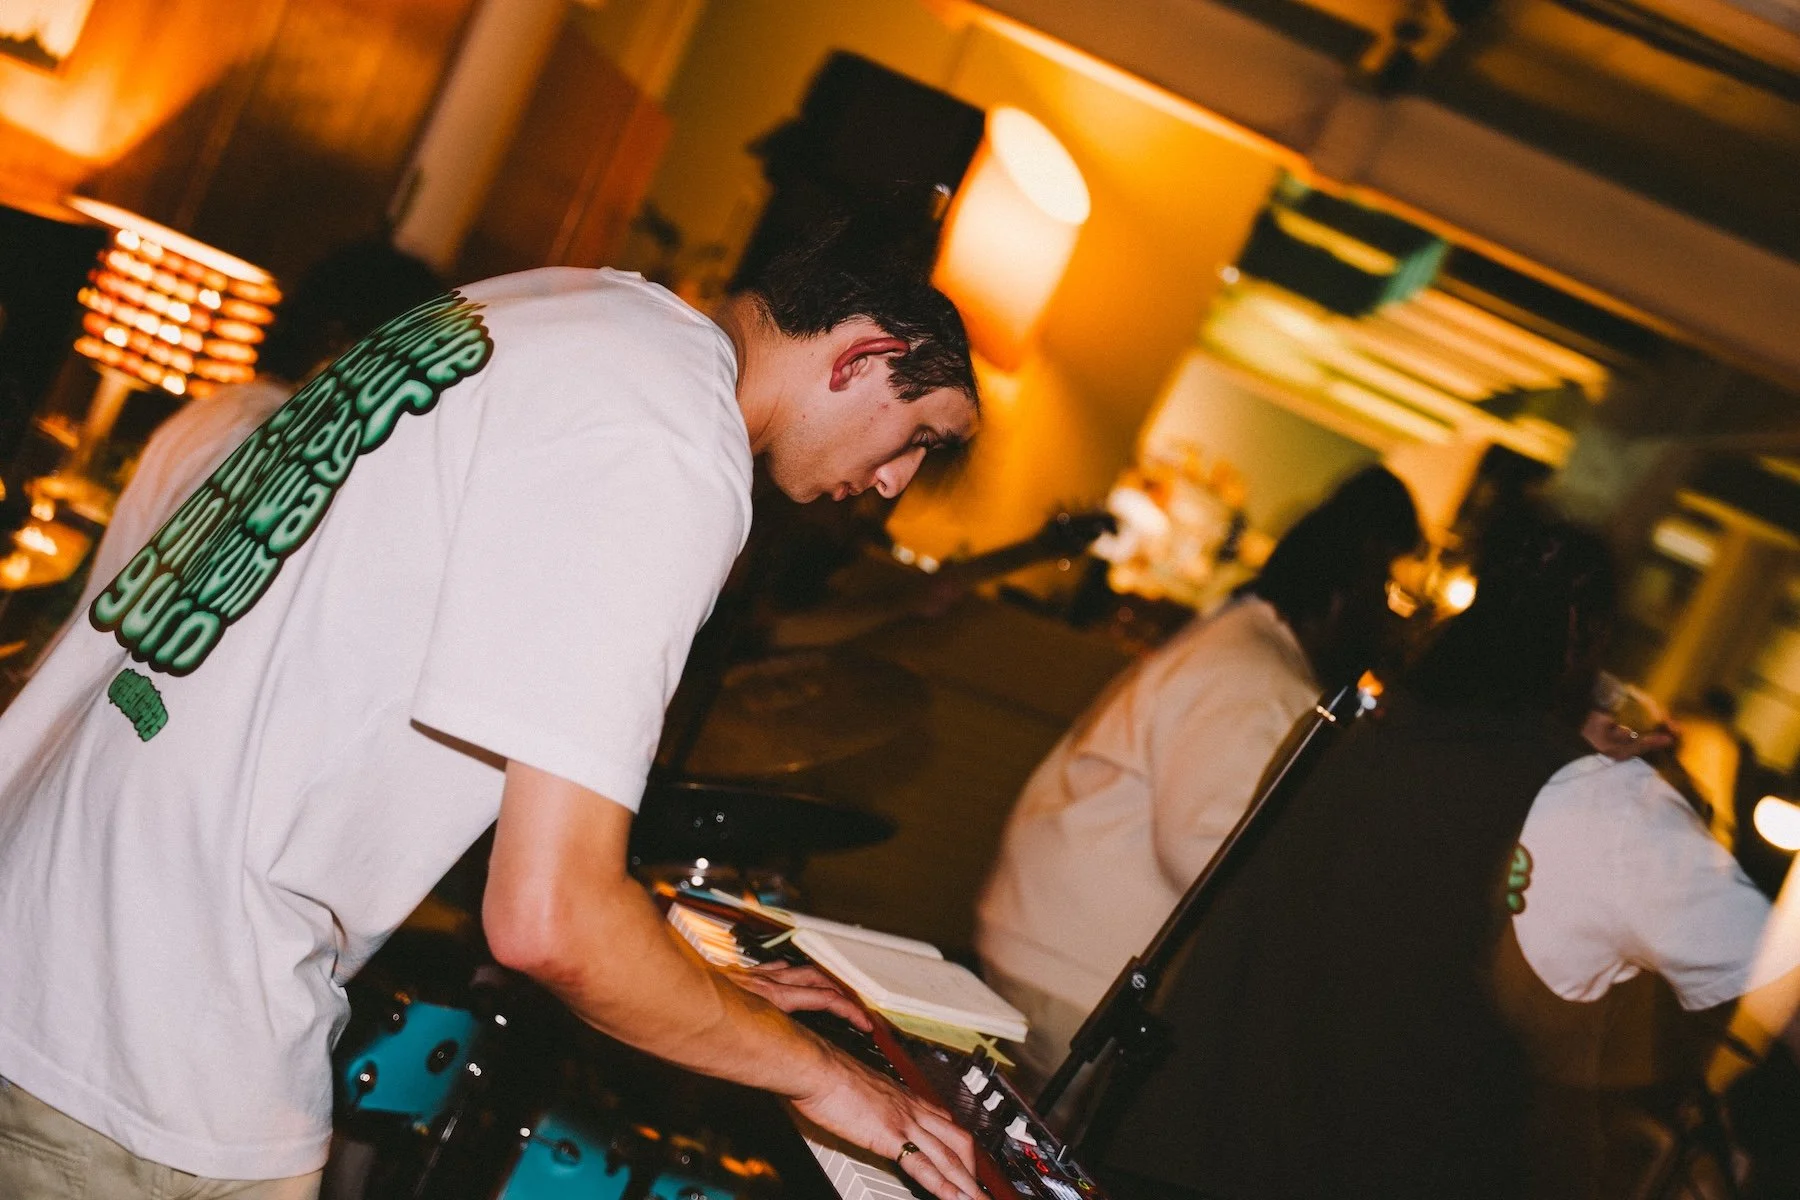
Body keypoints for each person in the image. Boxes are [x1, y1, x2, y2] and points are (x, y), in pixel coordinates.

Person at [0, 222, 983, 1200]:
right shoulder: (674, 442)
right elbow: (548, 918)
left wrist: (697, 987)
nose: (897, 482)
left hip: (49, 926)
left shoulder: (564, 305)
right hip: (147, 1035)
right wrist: (831, 1082)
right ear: (862, 357)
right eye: (921, 437)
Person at [1093, 511, 1800, 1200]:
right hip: (1355, 1167)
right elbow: (1737, 982)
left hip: (1180, 1139)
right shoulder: (1581, 796)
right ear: (1585, 638)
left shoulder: (1348, 732)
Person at [973, 466, 1421, 1093]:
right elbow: (1206, 851)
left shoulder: (1242, 638)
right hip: (1075, 975)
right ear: (1344, 595)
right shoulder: (1262, 677)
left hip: (1049, 948)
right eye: (1389, 595)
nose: (1393, 625)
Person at [38, 240, 446, 666]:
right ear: (339, 340)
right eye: (400, 360)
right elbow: (186, 601)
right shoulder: (261, 434)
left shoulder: (235, 404)